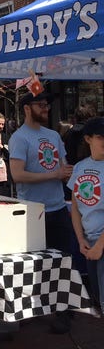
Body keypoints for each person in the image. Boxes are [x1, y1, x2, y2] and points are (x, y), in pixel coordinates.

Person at [9, 91, 74, 334]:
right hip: (32, 213)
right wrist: (53, 175)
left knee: (63, 262)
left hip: (57, 208)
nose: (46, 108)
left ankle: (63, 312)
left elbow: (62, 168)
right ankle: (33, 307)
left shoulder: (54, 135)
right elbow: (17, 174)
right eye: (41, 104)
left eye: (47, 104)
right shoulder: (20, 138)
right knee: (33, 265)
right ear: (27, 108)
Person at [69, 117, 104, 316]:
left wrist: (99, 245)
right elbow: (76, 207)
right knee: (98, 298)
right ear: (88, 139)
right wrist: (81, 240)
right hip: (90, 244)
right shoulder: (80, 167)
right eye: (101, 136)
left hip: (100, 244)